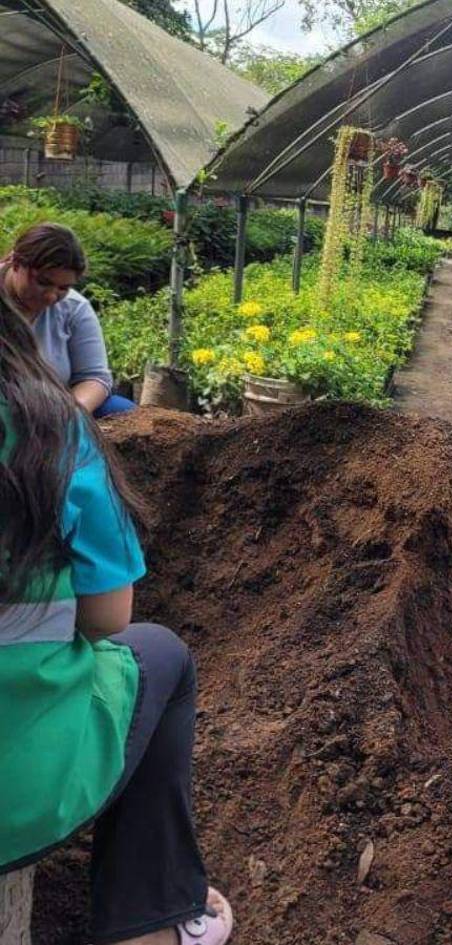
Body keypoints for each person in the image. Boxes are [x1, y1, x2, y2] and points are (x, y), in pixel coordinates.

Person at [0, 294, 232, 944]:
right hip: (18, 797)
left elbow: (99, 377)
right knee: (160, 656)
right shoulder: (45, 427)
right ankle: (152, 919)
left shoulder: (75, 316)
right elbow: (107, 616)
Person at [0, 222, 135, 418]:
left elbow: (94, 377)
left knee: (120, 409)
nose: (51, 296)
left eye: (63, 288)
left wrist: (69, 417)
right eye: (43, 282)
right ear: (16, 263)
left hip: (51, 411)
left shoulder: (73, 308)